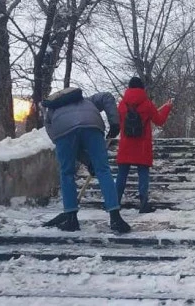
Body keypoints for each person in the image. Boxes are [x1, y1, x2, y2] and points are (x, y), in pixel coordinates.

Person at [42, 88, 131, 234]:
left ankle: (71, 218)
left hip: (63, 131)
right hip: (92, 125)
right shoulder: (86, 101)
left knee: (67, 173)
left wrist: (86, 160)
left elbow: (59, 140)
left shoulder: (51, 112)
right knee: (103, 170)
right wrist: (114, 123)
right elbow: (107, 97)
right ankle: (115, 218)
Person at [115, 77, 172, 213]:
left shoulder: (122, 104)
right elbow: (159, 121)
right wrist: (167, 108)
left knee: (122, 174)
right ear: (142, 88)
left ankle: (114, 202)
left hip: (126, 144)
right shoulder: (147, 104)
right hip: (142, 145)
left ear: (128, 87)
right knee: (143, 174)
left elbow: (117, 122)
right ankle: (143, 203)